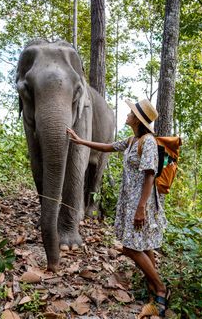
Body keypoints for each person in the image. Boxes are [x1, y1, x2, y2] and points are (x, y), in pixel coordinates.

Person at [67, 99, 170, 318]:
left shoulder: (148, 142)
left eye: (131, 113)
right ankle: (152, 287)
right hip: (131, 201)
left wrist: (141, 208)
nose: (127, 114)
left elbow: (150, 174)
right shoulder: (134, 140)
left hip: (141, 202)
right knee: (143, 245)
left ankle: (161, 289)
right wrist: (81, 141)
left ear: (138, 119)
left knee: (130, 248)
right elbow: (109, 147)